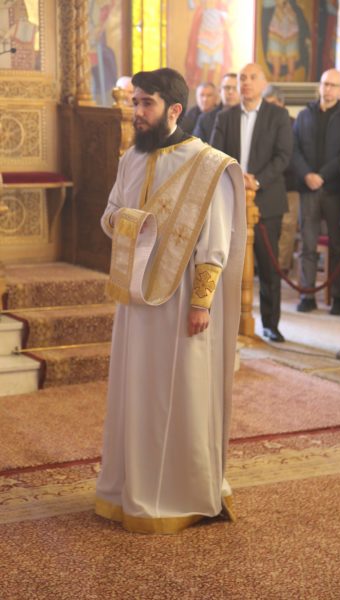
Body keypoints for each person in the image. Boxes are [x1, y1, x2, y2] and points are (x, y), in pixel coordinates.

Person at [95, 67, 246, 534]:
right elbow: (109, 215)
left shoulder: (207, 165)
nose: (137, 112)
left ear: (174, 109)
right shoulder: (130, 158)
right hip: (136, 297)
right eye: (135, 102)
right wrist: (131, 223)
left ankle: (186, 492)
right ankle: (130, 488)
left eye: (147, 103)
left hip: (180, 301)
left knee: (182, 393)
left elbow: (215, 242)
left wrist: (202, 304)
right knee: (136, 391)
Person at [211, 63, 293, 342]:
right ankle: (227, 322)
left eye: (252, 78)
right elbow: (214, 154)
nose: (246, 82)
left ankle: (270, 324)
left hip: (267, 201)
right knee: (228, 264)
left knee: (268, 267)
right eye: (242, 78)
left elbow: (283, 156)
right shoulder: (225, 116)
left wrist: (256, 181)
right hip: (231, 198)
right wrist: (237, 178)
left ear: (263, 83)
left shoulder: (278, 115)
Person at [292, 68, 340, 315]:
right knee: (308, 244)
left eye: (333, 85)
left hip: (335, 189)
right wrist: (307, 175)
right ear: (319, 86)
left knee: (338, 245)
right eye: (325, 84)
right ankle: (307, 295)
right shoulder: (304, 115)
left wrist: (322, 175)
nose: (328, 89)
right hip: (308, 187)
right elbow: (294, 149)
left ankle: (338, 297)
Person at [263, 84, 299, 274]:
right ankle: (264, 266)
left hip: (289, 183)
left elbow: (293, 154)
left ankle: (281, 268)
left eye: (272, 104)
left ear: (281, 103)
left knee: (287, 227)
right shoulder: (261, 123)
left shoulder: (293, 123)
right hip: (266, 183)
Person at [193, 72, 239, 143]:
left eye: (235, 88)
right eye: (227, 88)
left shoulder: (249, 117)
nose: (230, 92)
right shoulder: (204, 119)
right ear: (220, 91)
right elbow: (196, 147)